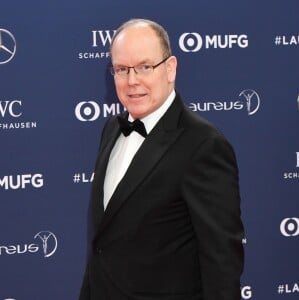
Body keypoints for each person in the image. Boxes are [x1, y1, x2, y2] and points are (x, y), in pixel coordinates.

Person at [79, 18, 244, 300]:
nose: (132, 81)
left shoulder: (203, 145)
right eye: (121, 69)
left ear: (170, 69)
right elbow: (104, 244)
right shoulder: (112, 129)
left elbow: (222, 262)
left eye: (145, 67)